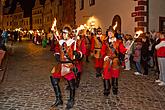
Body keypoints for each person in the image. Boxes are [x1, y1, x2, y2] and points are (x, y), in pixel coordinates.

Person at [50, 28, 83, 109]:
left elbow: (80, 52)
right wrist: (57, 54)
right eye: (63, 33)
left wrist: (78, 54)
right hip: (61, 65)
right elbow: (57, 50)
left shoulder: (73, 43)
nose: (63, 35)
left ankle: (71, 100)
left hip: (69, 66)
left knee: (71, 84)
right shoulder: (60, 42)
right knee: (54, 79)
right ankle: (59, 99)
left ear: (69, 34)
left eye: (65, 33)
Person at [100, 27, 127, 96]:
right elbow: (102, 51)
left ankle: (115, 88)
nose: (109, 34)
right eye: (108, 33)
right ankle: (107, 89)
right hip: (107, 59)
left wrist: (125, 50)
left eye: (111, 32)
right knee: (106, 74)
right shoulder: (105, 42)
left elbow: (122, 50)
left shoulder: (118, 42)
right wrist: (104, 56)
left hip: (115, 59)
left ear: (114, 33)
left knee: (115, 74)